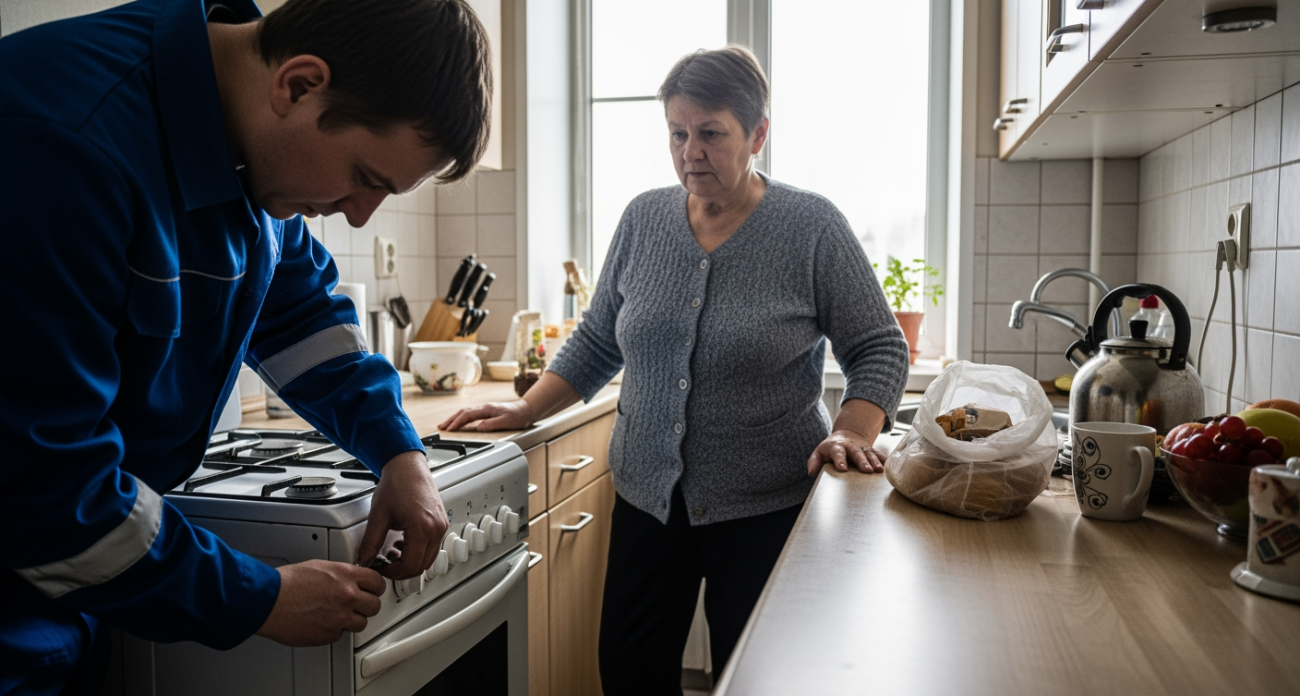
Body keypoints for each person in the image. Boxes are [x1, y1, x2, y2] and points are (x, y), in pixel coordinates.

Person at [0, 0, 491, 692]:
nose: (358, 212)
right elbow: (40, 483)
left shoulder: (249, 151)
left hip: (69, 592)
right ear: (297, 84)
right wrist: (256, 595)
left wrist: (398, 451)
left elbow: (302, 316)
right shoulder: (63, 146)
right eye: (366, 177)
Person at [440, 45, 910, 693]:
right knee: (630, 671)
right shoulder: (643, 219)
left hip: (768, 503)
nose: (691, 150)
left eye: (711, 134)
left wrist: (854, 433)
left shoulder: (811, 227)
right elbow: (600, 337)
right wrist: (526, 410)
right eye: (678, 133)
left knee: (757, 677)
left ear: (758, 135)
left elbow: (880, 345)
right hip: (647, 498)